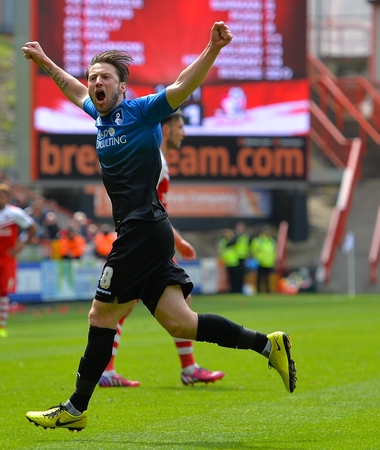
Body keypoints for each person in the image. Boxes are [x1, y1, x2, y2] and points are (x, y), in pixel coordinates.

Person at [22, 22, 296, 432]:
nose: (96, 83)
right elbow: (72, 89)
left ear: (122, 87)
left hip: (140, 231)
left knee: (101, 315)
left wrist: (212, 48)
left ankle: (75, 408)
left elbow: (183, 85)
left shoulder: (141, 111)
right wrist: (45, 61)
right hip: (149, 231)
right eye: (93, 77)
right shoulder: (100, 117)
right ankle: (266, 343)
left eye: (105, 78)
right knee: (181, 323)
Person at [100, 111, 225, 388]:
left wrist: (175, 240)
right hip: (144, 243)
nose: (184, 132)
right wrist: (175, 240)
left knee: (123, 306)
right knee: (123, 307)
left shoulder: (156, 159)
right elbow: (150, 208)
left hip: (146, 241)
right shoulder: (155, 161)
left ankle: (110, 371)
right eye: (181, 126)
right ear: (165, 129)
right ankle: (187, 368)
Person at [0, 183, 38, 338]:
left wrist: (21, 245)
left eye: (2, 196)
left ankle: (2, 325)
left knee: (3, 292)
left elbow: (32, 228)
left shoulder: (15, 213)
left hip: (8, 258)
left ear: (8, 198)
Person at [251, 226, 277, 294]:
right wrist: (257, 259)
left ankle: (268, 290)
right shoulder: (258, 241)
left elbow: (273, 251)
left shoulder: (271, 241)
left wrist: (274, 259)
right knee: (260, 277)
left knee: (268, 277)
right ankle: (259, 290)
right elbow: (253, 250)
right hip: (260, 262)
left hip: (269, 262)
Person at [218, 228, 242, 293]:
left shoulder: (232, 241)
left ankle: (236, 289)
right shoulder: (224, 241)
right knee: (230, 277)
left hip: (235, 261)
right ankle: (232, 289)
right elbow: (224, 248)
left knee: (236, 277)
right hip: (228, 262)